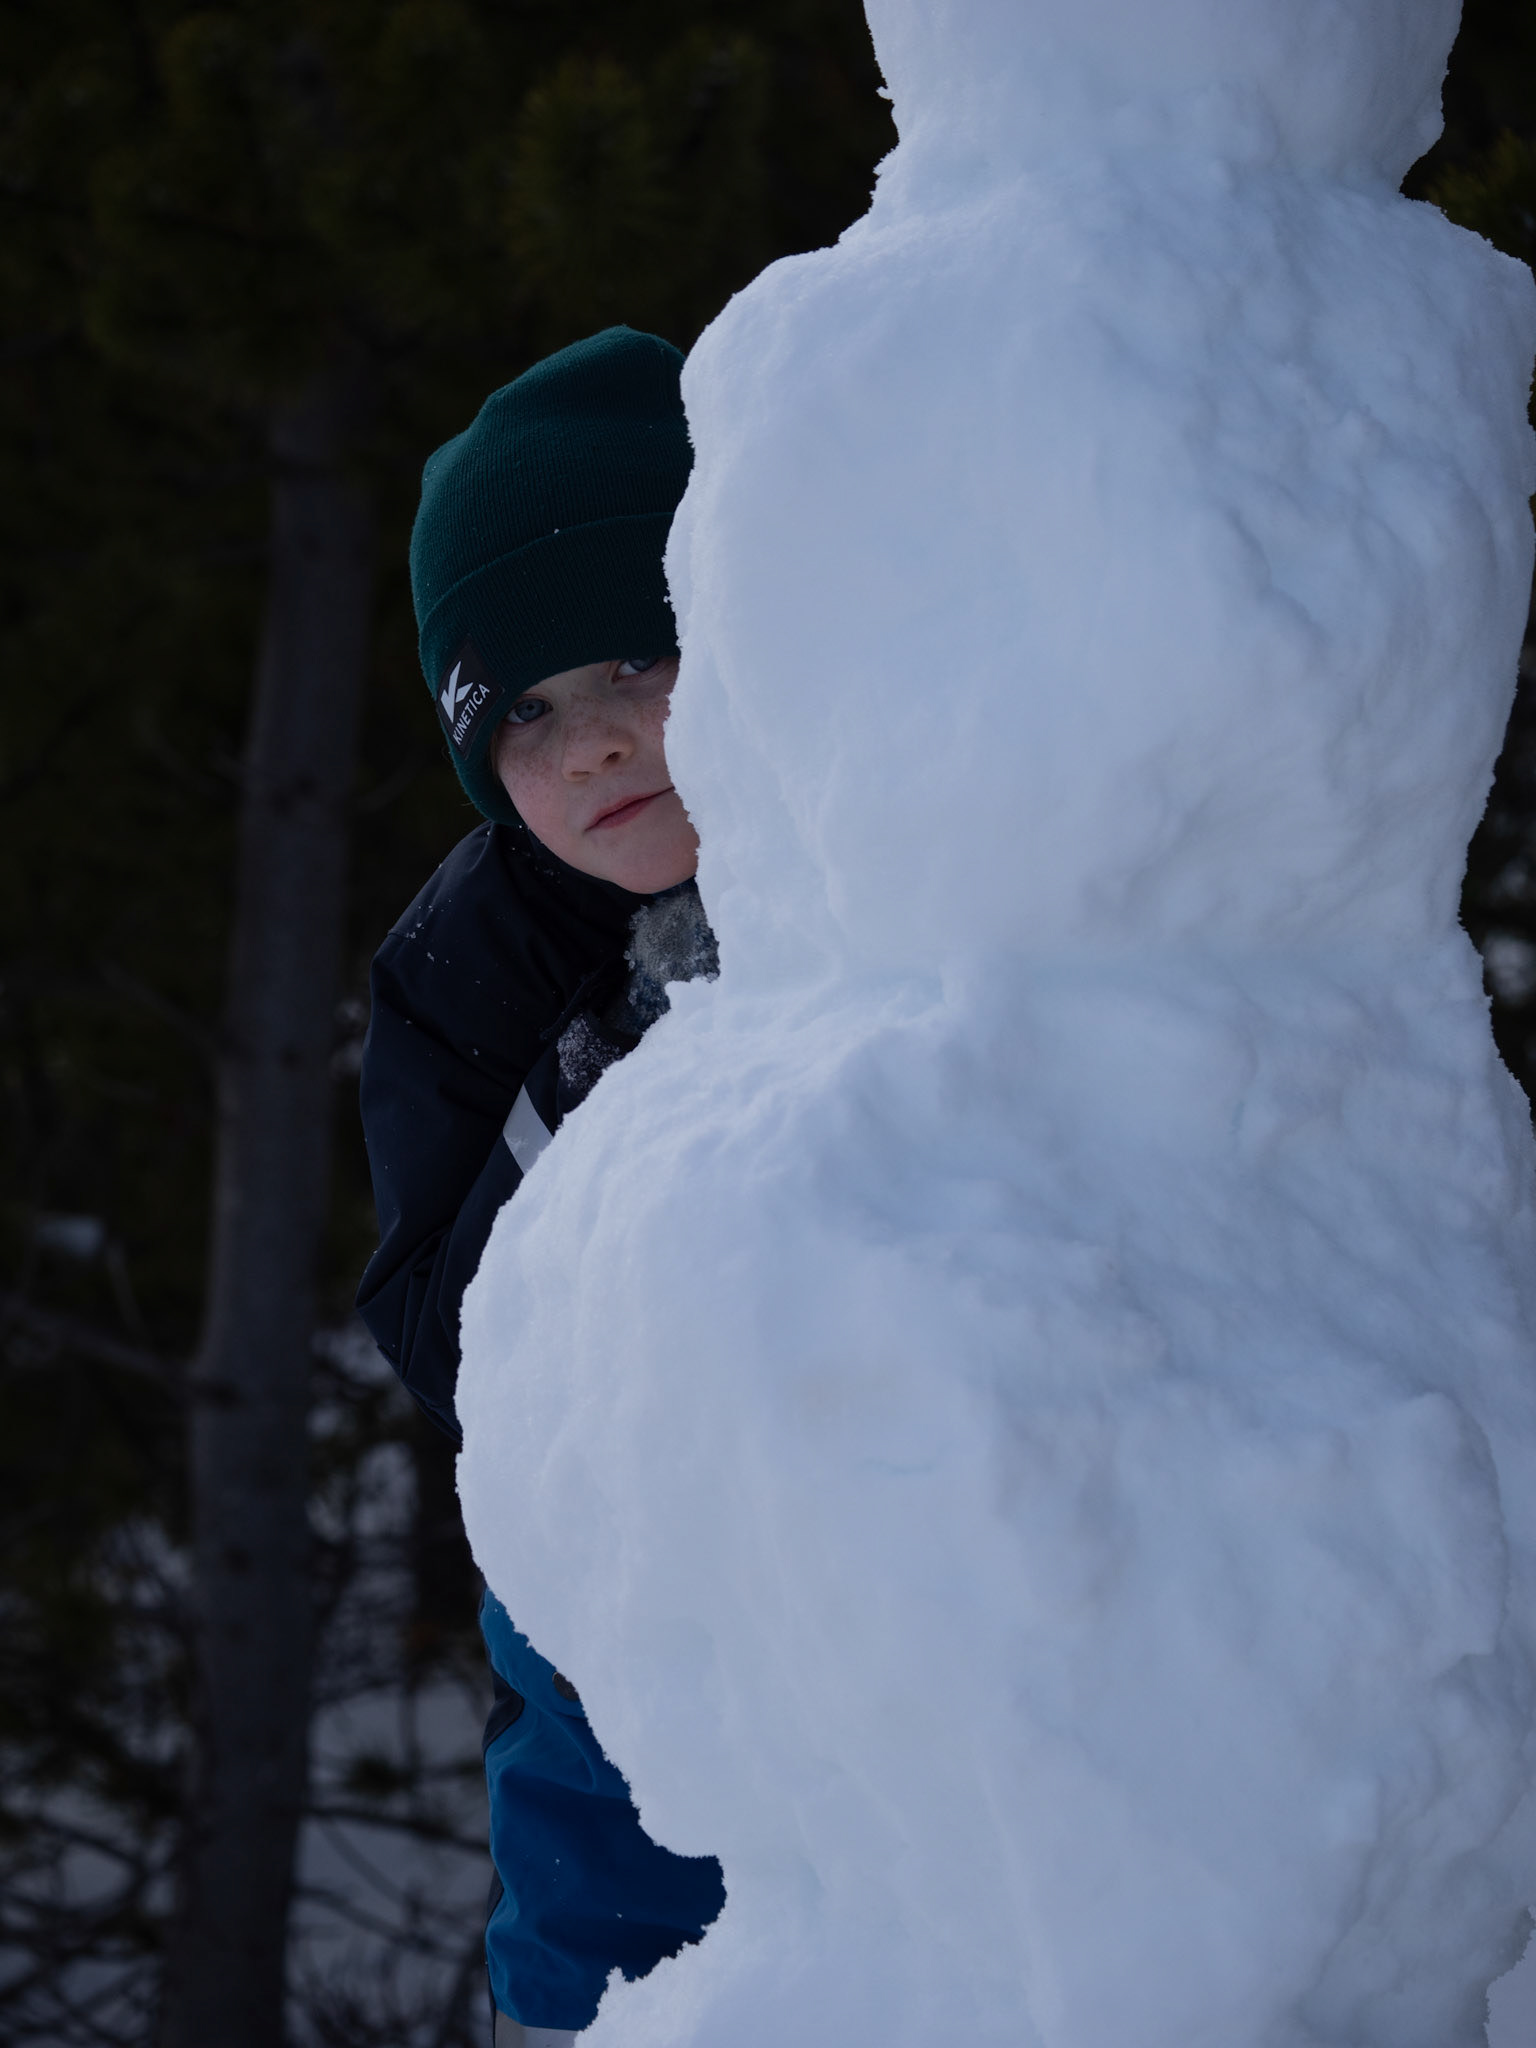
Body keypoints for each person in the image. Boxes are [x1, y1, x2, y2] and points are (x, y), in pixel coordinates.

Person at [355, 328, 725, 2046]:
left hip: (898, 1470)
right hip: (613, 1526)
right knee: (605, 1853)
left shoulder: (889, 835)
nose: (595, 747)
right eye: (528, 713)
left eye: (637, 660)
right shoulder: (473, 961)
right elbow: (433, 1327)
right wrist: (621, 1070)